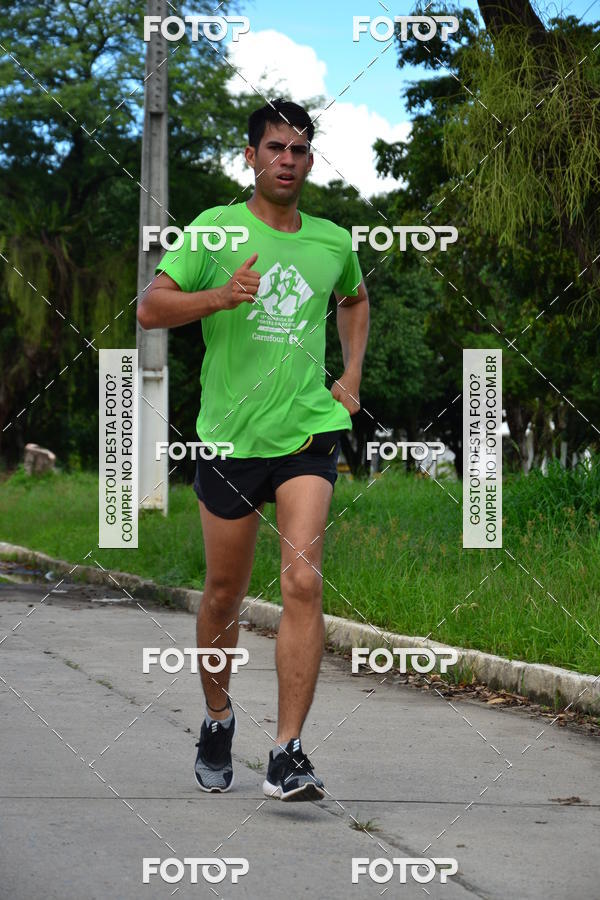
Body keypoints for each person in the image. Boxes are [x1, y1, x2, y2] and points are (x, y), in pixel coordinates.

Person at [137, 98, 370, 801]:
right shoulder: (214, 231)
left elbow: (354, 301)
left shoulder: (332, 240)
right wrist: (220, 297)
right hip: (230, 438)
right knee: (223, 594)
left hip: (307, 430)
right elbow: (150, 307)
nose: (288, 159)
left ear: (309, 158)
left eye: (300, 149)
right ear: (252, 156)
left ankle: (287, 752)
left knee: (302, 581)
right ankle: (217, 717)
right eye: (275, 147)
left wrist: (351, 375)